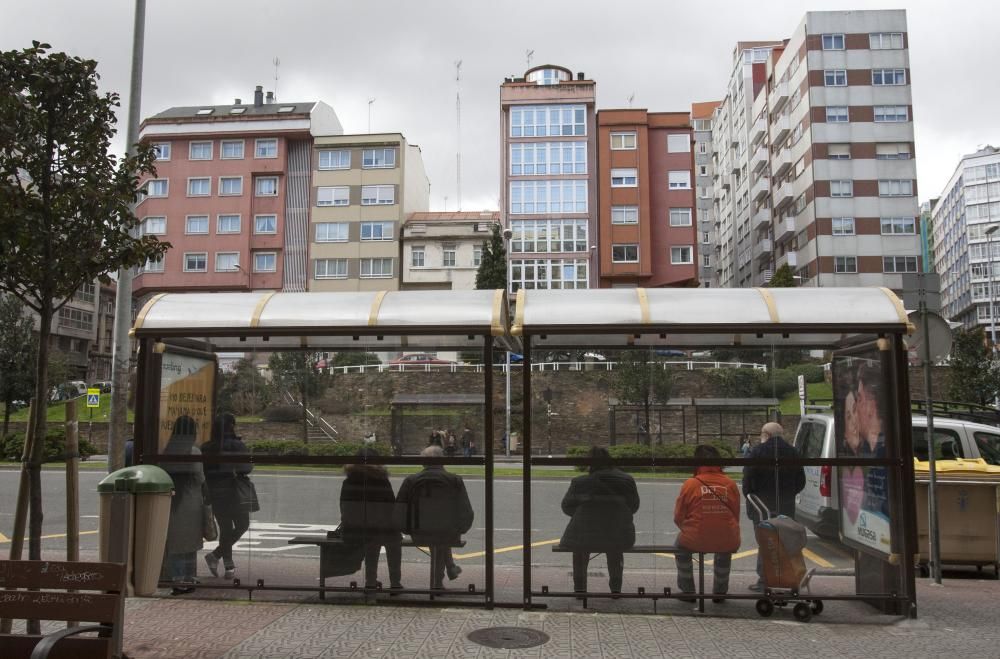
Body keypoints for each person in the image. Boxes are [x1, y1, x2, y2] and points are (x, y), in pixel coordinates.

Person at [559, 446, 640, 594]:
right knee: (615, 547)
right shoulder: (627, 480)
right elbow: (634, 506)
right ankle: (616, 588)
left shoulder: (580, 482)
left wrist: (582, 514)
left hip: (585, 533)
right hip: (619, 534)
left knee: (579, 549)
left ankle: (580, 587)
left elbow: (566, 506)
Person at [395, 445, 474, 588]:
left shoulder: (411, 481)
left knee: (434, 530)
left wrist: (407, 529)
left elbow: (399, 510)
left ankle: (447, 571)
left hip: (418, 532)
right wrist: (459, 529)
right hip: (448, 533)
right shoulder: (454, 480)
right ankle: (440, 579)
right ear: (442, 460)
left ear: (423, 462)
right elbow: (466, 511)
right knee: (441, 532)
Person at [742, 421, 805, 592]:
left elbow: (747, 481)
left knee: (766, 542)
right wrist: (788, 494)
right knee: (784, 542)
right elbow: (801, 481)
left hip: (761, 506)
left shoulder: (756, 452)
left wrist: (750, 496)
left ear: (766, 435)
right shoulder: (793, 452)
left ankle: (765, 580)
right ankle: (786, 578)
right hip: (785, 505)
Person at [673, 445, 741, 603]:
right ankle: (720, 592)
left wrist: (688, 529)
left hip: (695, 537)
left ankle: (688, 590)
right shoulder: (730, 484)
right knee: (724, 552)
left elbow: (678, 516)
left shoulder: (690, 484)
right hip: (726, 536)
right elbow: (735, 513)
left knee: (680, 549)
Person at [340, 447, 403, 591]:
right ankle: (395, 582)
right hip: (382, 527)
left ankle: (370, 581)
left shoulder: (349, 482)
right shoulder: (382, 481)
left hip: (357, 528)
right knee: (393, 544)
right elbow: (390, 507)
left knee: (371, 548)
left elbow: (344, 508)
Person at [202, 414, 254, 580]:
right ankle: (220, 559)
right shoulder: (237, 445)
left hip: (214, 492)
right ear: (231, 426)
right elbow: (246, 468)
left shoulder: (207, 446)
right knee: (242, 524)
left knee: (225, 527)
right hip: (233, 491)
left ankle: (226, 564)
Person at [161, 415, 206, 595]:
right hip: (192, 502)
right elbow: (200, 478)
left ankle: (177, 579)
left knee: (176, 543)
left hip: (173, 503)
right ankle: (189, 577)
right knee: (191, 543)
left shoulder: (167, 451)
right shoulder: (194, 453)